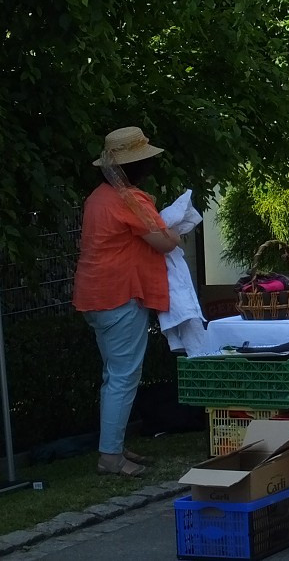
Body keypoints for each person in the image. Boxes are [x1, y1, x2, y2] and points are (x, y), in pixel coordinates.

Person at [74, 127, 181, 477]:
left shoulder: (98, 196)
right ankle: (110, 458)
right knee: (122, 377)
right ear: (137, 166)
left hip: (96, 295)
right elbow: (164, 242)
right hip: (121, 296)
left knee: (113, 375)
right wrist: (178, 229)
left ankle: (114, 447)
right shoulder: (130, 199)